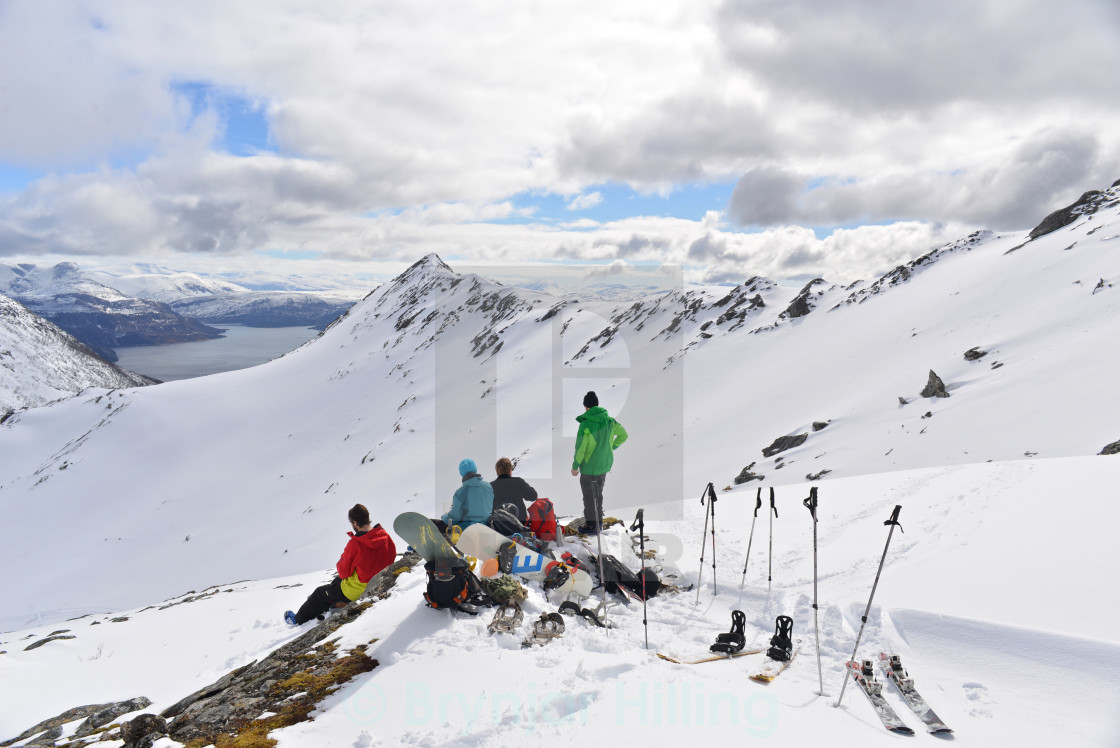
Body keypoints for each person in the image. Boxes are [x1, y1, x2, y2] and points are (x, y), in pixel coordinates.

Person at [285, 504, 396, 625]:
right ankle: (330, 607)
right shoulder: (384, 536)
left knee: (320, 593)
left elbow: (343, 573)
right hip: (380, 581)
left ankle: (297, 620)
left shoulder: (356, 543)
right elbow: (392, 556)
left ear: (354, 523)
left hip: (358, 590)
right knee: (336, 583)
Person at [570, 391, 628, 534]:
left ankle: (591, 525)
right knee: (598, 494)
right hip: (604, 465)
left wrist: (575, 466)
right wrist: (611, 447)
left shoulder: (585, 424)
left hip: (589, 467)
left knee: (589, 496)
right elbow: (623, 435)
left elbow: (581, 448)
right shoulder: (610, 421)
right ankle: (599, 523)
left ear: (586, 407)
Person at [440, 458, 494, 531]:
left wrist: (444, 517)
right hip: (487, 528)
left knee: (438, 526)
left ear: (461, 473)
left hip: (467, 531)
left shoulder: (460, 492)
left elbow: (454, 518)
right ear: (475, 469)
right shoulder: (488, 486)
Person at [490, 457, 538, 523]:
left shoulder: (491, 486)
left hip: (498, 525)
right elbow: (533, 496)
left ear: (497, 471)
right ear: (510, 469)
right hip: (519, 524)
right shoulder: (518, 482)